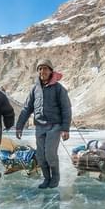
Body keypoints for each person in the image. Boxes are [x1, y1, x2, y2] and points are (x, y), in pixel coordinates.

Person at [15, 59, 72, 189]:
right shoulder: (35, 89)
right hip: (40, 126)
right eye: (40, 69)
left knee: (50, 154)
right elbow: (26, 108)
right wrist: (19, 126)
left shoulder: (59, 89)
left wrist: (65, 128)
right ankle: (46, 178)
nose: (42, 71)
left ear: (51, 71)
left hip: (55, 126)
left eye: (45, 68)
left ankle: (55, 178)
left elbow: (66, 109)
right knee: (40, 156)